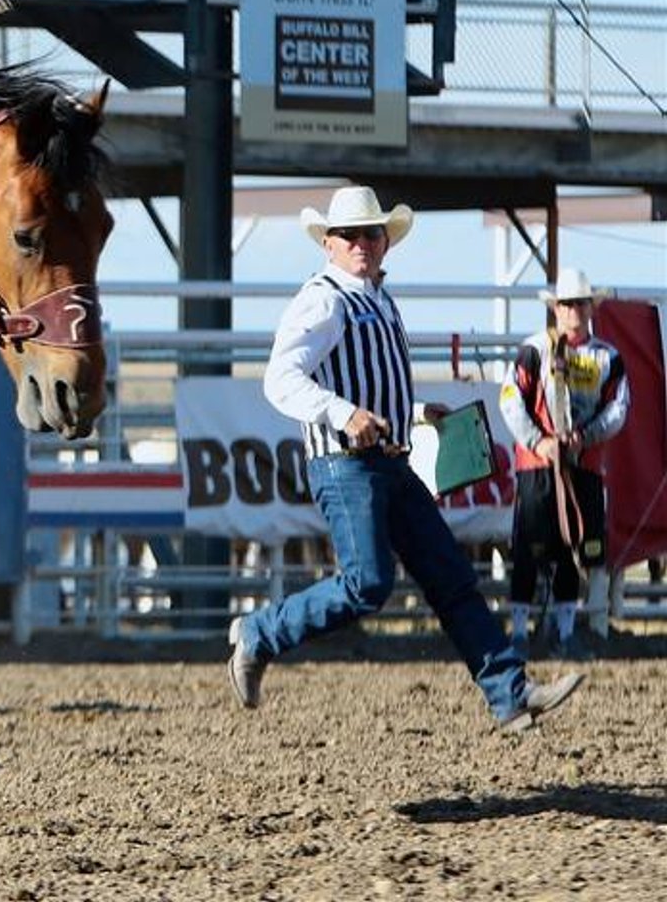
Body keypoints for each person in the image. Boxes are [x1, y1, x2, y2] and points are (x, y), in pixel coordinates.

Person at [226, 186, 586, 734]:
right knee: (367, 584)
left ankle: (510, 692)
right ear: (329, 244)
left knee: (449, 574)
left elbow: (359, 379)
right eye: (349, 235)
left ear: (384, 242)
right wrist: (344, 414)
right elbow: (280, 379)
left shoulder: (375, 298)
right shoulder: (323, 299)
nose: (361, 243)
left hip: (387, 461)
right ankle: (259, 633)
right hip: (345, 465)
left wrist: (413, 409)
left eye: (370, 233)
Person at [499, 267, 628, 658]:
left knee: (574, 545)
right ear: (556, 308)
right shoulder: (534, 350)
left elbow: (618, 409)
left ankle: (565, 630)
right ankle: (521, 631)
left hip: (583, 463)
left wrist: (585, 437)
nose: (574, 311)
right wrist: (539, 441)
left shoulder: (608, 357)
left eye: (580, 304)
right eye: (568, 304)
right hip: (537, 464)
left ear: (591, 307)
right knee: (529, 545)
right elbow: (511, 401)